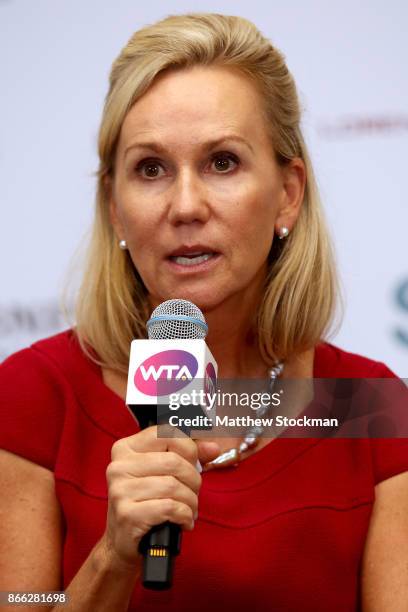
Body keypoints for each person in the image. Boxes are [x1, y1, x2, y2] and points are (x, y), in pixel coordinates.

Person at [1, 12, 407, 612]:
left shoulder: (373, 410)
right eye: (151, 168)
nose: (185, 206)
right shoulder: (33, 396)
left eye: (222, 162)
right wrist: (113, 557)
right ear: (115, 206)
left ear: (287, 194)